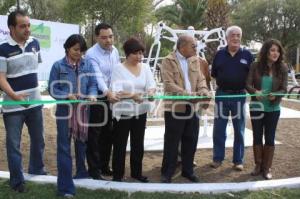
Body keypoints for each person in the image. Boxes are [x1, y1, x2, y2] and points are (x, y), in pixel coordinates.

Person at [0, 10, 46, 193]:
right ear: (11, 28)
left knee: (39, 140)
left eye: (28, 25)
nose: (27, 29)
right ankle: (17, 181)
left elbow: (34, 70)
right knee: (13, 144)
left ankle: (37, 170)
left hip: (35, 104)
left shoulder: (35, 43)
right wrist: (14, 96)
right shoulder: (2, 48)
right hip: (13, 106)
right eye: (22, 26)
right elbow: (1, 78)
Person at [48, 34, 97, 197]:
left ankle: (81, 174)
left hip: (83, 110)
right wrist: (67, 95)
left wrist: (92, 95)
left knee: (81, 144)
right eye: (75, 49)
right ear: (67, 48)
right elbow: (53, 89)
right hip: (64, 112)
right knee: (63, 147)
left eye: (81, 50)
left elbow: (93, 84)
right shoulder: (58, 66)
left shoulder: (88, 64)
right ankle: (65, 188)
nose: (78, 53)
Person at [160, 35, 210, 183]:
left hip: (193, 107)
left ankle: (188, 171)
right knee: (172, 142)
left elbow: (201, 79)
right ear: (182, 46)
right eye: (193, 46)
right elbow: (169, 84)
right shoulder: (168, 61)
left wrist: (204, 92)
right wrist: (189, 95)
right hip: (175, 108)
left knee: (191, 140)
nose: (196, 48)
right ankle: (167, 172)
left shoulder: (195, 60)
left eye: (196, 46)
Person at [110, 37, 156, 182]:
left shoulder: (146, 68)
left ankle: (136, 173)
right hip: (123, 112)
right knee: (120, 145)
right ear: (128, 53)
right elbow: (117, 92)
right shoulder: (118, 69)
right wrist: (133, 95)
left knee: (138, 144)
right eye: (136, 53)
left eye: (141, 53)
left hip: (140, 112)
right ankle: (118, 175)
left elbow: (151, 85)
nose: (139, 57)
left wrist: (151, 92)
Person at [210, 25, 254, 171]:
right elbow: (214, 74)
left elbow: (252, 76)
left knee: (239, 129)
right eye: (232, 35)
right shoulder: (219, 54)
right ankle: (217, 158)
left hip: (239, 95)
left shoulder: (247, 55)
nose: (235, 38)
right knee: (219, 129)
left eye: (238, 35)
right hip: (222, 94)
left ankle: (238, 160)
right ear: (227, 38)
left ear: (240, 37)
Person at [246, 39, 288, 180]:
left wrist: (275, 95)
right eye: (272, 50)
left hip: (273, 108)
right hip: (256, 107)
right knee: (257, 136)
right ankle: (258, 166)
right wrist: (255, 92)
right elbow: (247, 84)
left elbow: (284, 89)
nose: (275, 53)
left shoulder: (282, 67)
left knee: (269, 137)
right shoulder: (255, 66)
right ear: (266, 52)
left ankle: (267, 167)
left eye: (277, 51)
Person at [85, 23, 120, 179]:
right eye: (104, 37)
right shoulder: (91, 54)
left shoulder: (115, 51)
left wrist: (116, 92)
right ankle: (94, 170)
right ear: (97, 37)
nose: (108, 40)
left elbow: (117, 73)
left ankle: (104, 166)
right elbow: (97, 76)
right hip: (97, 97)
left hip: (112, 97)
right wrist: (107, 93)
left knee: (109, 133)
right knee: (95, 135)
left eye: (110, 36)